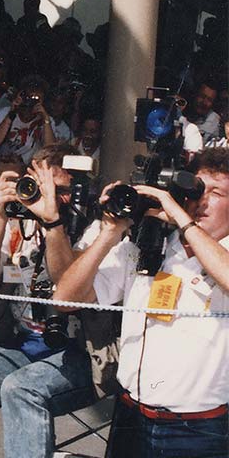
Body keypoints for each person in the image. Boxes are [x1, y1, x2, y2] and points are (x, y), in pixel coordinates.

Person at [54, 147, 229, 457]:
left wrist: (179, 216)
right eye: (197, 187)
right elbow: (66, 299)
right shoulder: (150, 244)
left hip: (196, 430)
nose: (201, 200)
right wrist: (111, 231)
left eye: (216, 192)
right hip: (130, 415)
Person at [0, 143, 98, 458]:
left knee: (21, 389)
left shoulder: (90, 221)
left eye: (50, 188)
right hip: (24, 343)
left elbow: (66, 287)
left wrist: (53, 222)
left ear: (70, 191)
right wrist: (0, 215)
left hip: (80, 352)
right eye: (34, 184)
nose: (38, 195)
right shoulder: (18, 214)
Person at [0, 74, 56, 167]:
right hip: (5, 164)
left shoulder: (47, 120)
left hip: (30, 167)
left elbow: (50, 148)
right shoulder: (6, 112)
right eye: (29, 97)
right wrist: (12, 112)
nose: (32, 101)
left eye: (37, 99)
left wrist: (45, 119)